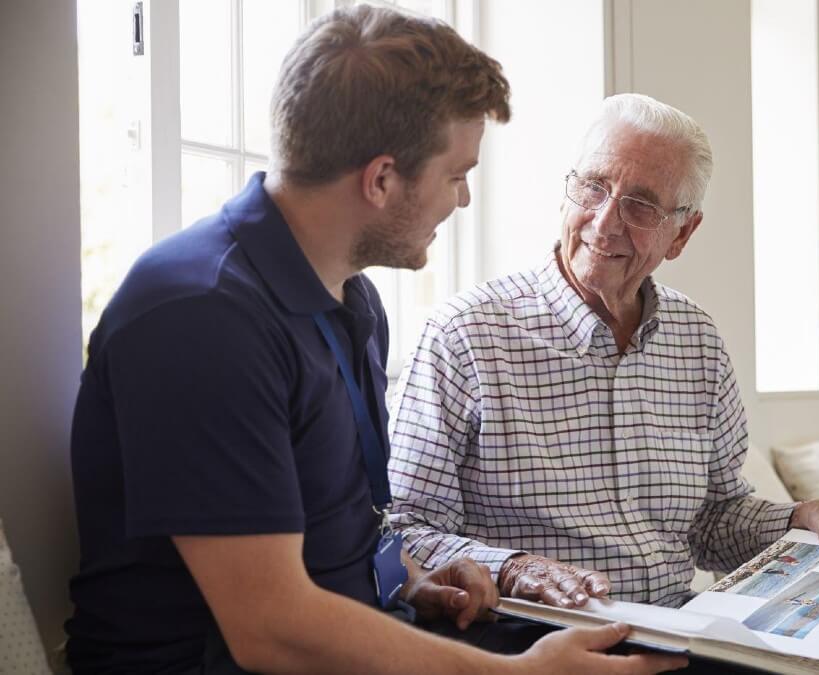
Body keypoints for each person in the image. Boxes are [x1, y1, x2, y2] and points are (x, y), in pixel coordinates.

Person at [65, 8, 683, 675]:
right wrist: (521, 674)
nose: (465, 199)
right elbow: (270, 627)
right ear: (382, 179)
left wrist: (412, 580)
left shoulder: (349, 300)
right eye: (456, 174)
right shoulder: (199, 316)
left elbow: (346, 532)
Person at [387, 93, 819, 674]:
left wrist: (791, 522)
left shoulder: (697, 341)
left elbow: (713, 518)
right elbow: (403, 529)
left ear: (682, 234)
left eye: (641, 205)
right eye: (594, 186)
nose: (605, 222)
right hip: (532, 636)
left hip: (681, 628)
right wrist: (513, 567)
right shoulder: (465, 333)